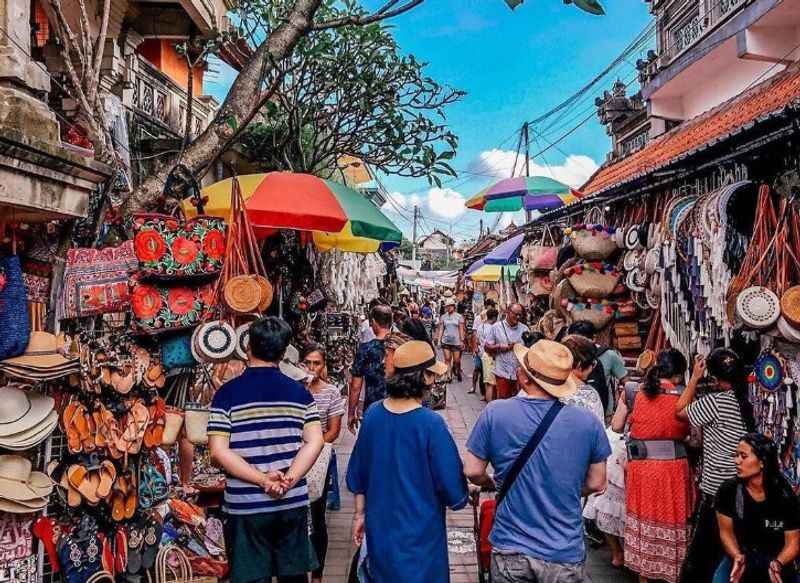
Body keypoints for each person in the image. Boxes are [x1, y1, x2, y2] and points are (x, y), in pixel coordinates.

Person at [464, 340, 610, 582]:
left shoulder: (495, 412)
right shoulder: (588, 422)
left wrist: (493, 482)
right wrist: (567, 486)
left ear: (524, 377)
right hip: (564, 551)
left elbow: (472, 470)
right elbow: (597, 483)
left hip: (512, 547)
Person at [208, 317, 324, 583]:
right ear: (284, 353)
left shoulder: (226, 394)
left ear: (247, 348)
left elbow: (218, 451)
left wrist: (262, 480)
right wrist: (288, 479)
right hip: (290, 500)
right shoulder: (300, 393)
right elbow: (314, 441)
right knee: (293, 577)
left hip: (246, 506)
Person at [346, 341, 468, 583]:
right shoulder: (430, 424)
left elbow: (358, 474)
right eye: (432, 375)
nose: (434, 381)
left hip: (381, 533)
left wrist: (360, 514)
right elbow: (453, 491)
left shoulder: (372, 415)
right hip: (421, 541)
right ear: (423, 378)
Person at [613, 348, 693, 583]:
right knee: (672, 519)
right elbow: (695, 437)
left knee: (643, 518)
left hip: (642, 468)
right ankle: (671, 573)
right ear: (679, 375)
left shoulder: (632, 390)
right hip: (673, 469)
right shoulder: (683, 394)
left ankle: (644, 576)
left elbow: (617, 426)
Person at [676, 348, 756, 583]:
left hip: (718, 491)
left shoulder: (716, 402)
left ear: (714, 377)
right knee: (734, 552)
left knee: (701, 558)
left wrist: (694, 379)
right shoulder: (751, 397)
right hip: (745, 489)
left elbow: (680, 412)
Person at [714, 433, 800, 583]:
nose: (737, 461)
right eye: (736, 455)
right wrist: (736, 556)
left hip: (774, 559)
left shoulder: (785, 495)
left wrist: (778, 563)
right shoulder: (728, 491)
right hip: (742, 556)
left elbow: (792, 542)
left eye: (743, 456)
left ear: (762, 462)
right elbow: (726, 533)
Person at [301, 344, 346, 583]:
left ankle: (317, 574)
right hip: (294, 460)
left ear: (324, 365)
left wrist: (312, 448)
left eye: (316, 363)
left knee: (317, 517)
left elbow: (334, 430)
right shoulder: (295, 390)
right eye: (307, 363)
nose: (311, 368)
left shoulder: (331, 392)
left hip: (318, 461)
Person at [348, 304, 392, 434]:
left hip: (373, 407)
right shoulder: (400, 346)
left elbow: (356, 387)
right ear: (390, 322)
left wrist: (351, 413)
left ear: (373, 322)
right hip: (400, 408)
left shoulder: (366, 349)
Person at [568, 320, 627, 415]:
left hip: (604, 413)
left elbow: (626, 382)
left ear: (594, 338)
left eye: (581, 341)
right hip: (574, 412)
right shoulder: (566, 355)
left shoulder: (609, 355)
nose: (577, 346)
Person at [484, 304, 529, 399]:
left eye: (520, 315)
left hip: (519, 374)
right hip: (502, 372)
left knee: (518, 402)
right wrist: (499, 346)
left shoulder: (524, 329)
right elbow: (487, 347)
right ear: (508, 312)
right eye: (515, 314)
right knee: (503, 400)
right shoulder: (496, 327)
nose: (518, 317)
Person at [560, 334, 605, 421]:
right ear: (579, 365)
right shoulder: (589, 395)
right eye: (592, 364)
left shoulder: (545, 385)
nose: (592, 368)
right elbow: (598, 429)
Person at [435, 298, 466, 382]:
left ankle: (458, 370)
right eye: (447, 306)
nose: (448, 308)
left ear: (453, 306)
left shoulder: (459, 317)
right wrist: (439, 340)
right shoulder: (443, 317)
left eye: (449, 306)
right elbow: (441, 329)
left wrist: (462, 341)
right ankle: (449, 376)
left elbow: (461, 329)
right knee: (447, 359)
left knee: (456, 360)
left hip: (456, 342)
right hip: (446, 341)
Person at [476, 308, 499, 402]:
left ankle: (486, 397)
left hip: (482, 355)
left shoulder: (480, 327)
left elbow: (477, 341)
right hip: (490, 356)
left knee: (485, 380)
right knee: (491, 383)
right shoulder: (493, 328)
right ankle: (490, 403)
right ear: (494, 318)